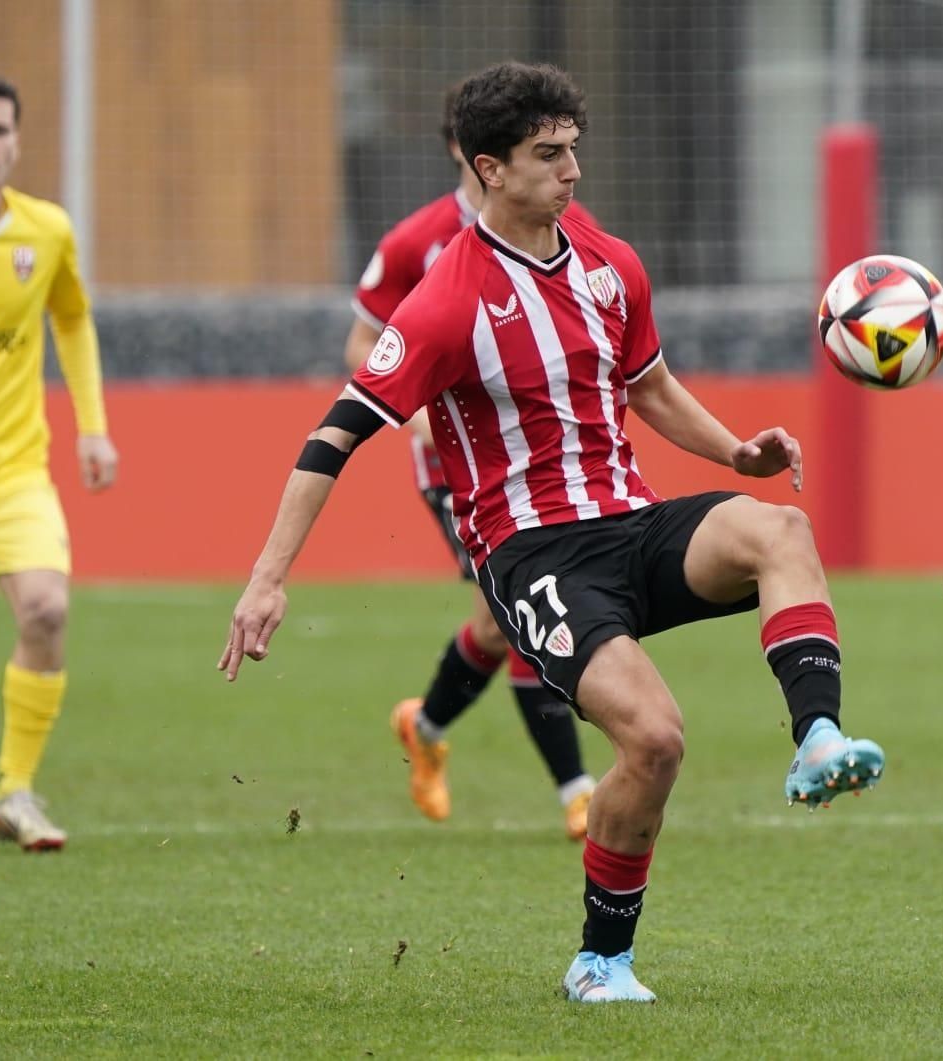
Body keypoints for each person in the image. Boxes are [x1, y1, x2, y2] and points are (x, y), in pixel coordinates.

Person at [221, 61, 885, 1004]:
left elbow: (648, 385)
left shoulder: (608, 260)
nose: (571, 169)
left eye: (574, 147)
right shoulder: (448, 296)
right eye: (547, 154)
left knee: (779, 527)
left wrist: (736, 454)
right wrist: (267, 577)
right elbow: (336, 433)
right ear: (489, 168)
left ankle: (817, 735)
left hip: (630, 520)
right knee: (654, 741)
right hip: (532, 555)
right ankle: (600, 960)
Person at [345, 84, 597, 841]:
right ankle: (577, 789)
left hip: (544, 461)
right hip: (459, 469)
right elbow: (362, 345)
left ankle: (424, 724)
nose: (562, 170)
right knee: (524, 615)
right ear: (470, 154)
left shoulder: (568, 228)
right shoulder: (415, 244)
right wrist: (417, 412)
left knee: (498, 623)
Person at [0, 74, 119, 851]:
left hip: (9, 471)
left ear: (16, 142)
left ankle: (16, 791)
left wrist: (92, 427)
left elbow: (71, 317)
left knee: (46, 609)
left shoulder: (46, 231)